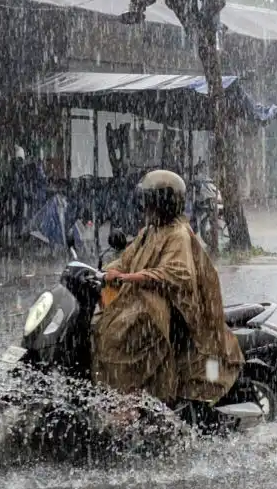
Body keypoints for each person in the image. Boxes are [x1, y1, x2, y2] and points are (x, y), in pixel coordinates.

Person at [91, 169, 243, 405]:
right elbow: (126, 258)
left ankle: (134, 399)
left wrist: (134, 277)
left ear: (161, 203)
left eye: (149, 202)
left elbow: (178, 274)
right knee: (99, 325)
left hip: (170, 311)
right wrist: (108, 271)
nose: (145, 208)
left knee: (119, 336)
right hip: (144, 302)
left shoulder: (178, 234)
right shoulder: (149, 231)